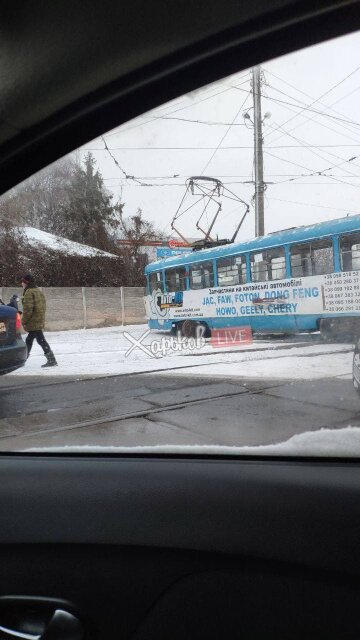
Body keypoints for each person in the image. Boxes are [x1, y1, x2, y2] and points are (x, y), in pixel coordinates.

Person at [21, 274, 58, 367]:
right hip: (39, 319)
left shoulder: (29, 292)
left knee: (40, 340)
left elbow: (28, 309)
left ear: (26, 282)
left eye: (22, 281)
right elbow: (44, 305)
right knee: (30, 339)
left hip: (33, 321)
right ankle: (23, 359)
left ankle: (52, 360)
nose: (21, 283)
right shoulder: (38, 290)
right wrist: (40, 316)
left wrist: (24, 321)